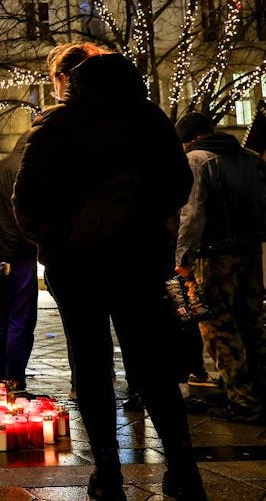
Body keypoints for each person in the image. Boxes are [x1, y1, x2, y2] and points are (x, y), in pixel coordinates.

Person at [13, 43, 205, 501]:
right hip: (139, 261)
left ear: (72, 82)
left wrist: (57, 242)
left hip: (78, 269)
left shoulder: (58, 125)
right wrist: (145, 224)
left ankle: (108, 474)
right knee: (153, 366)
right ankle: (183, 470)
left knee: (91, 366)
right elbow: (179, 182)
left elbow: (26, 201)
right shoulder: (151, 119)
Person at [175, 111, 266, 424]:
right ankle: (261, 392)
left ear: (191, 139)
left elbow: (192, 214)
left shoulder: (197, 161)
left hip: (213, 258)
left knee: (219, 329)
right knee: (253, 323)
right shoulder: (252, 159)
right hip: (251, 254)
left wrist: (182, 259)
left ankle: (242, 401)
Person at [0, 131, 37, 394]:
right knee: (21, 318)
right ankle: (15, 379)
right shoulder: (26, 169)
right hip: (20, 251)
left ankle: (3, 375)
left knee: (2, 313)